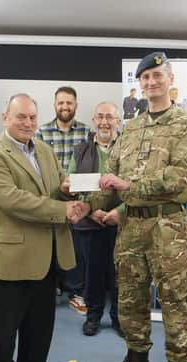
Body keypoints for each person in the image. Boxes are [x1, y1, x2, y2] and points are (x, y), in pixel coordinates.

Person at [83, 52, 187, 362]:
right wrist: (78, 198)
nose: (151, 82)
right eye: (145, 77)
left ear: (169, 78)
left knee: (173, 302)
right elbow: (109, 181)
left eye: (157, 75)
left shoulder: (186, 124)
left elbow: (178, 176)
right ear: (140, 84)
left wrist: (126, 184)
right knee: (130, 299)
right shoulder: (130, 128)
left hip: (168, 227)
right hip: (132, 227)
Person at [0, 93, 89, 362]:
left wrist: (67, 190)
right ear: (5, 118)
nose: (27, 123)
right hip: (13, 256)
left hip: (48, 253)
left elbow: (52, 189)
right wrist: (62, 210)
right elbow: (14, 201)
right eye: (20, 117)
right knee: (5, 325)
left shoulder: (44, 150)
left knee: (41, 323)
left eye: (31, 117)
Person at [66, 101, 124, 337]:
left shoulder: (128, 149)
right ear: (93, 120)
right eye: (100, 117)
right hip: (90, 222)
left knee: (120, 273)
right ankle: (93, 315)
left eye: (109, 117)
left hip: (122, 222)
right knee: (93, 273)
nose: (104, 122)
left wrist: (118, 212)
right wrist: (91, 211)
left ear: (118, 121)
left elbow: (136, 186)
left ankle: (119, 318)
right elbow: (72, 185)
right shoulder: (80, 151)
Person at [35, 86, 91, 314]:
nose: (65, 107)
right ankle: (52, 287)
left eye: (69, 103)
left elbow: (91, 163)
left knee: (77, 247)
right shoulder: (42, 133)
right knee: (50, 244)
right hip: (51, 198)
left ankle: (75, 291)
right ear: (54, 105)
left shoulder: (88, 133)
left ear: (75, 105)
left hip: (79, 197)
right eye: (61, 103)